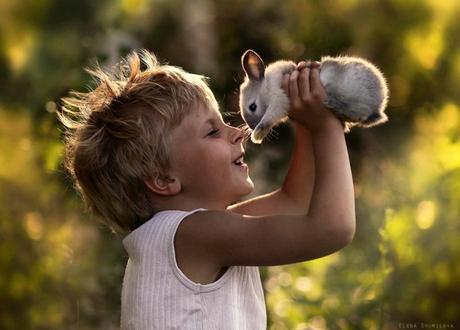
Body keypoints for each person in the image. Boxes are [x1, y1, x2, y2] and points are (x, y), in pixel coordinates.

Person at [58, 49, 355, 329]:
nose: (238, 132)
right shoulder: (193, 235)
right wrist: (325, 127)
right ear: (163, 179)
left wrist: (302, 117)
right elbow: (332, 229)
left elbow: (296, 203)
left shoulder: (197, 233)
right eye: (212, 131)